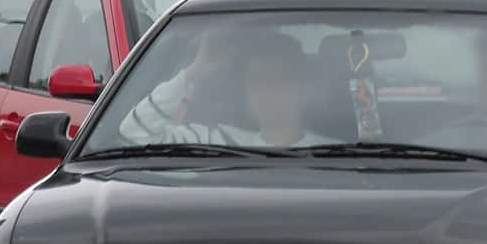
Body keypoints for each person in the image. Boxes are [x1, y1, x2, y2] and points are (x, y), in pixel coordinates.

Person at [117, 28, 334, 149]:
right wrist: (196, 70)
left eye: (280, 79)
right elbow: (134, 134)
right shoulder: (217, 143)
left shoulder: (335, 153)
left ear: (303, 88)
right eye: (257, 80)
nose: (267, 89)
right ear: (246, 90)